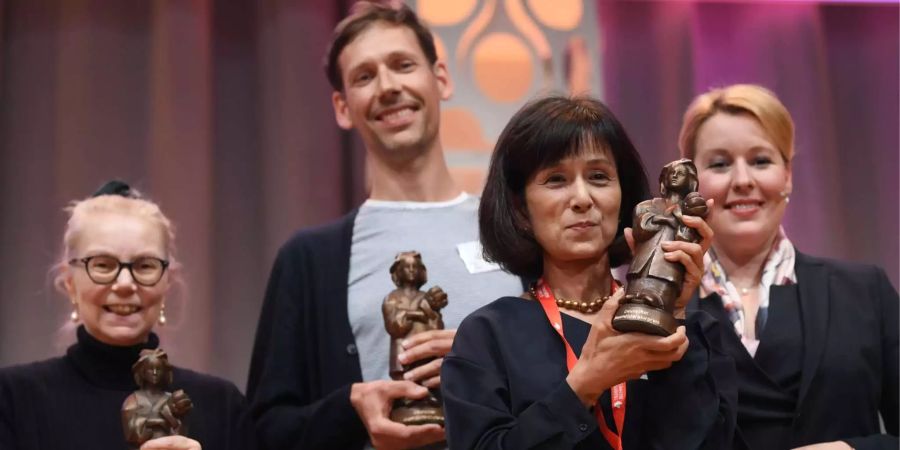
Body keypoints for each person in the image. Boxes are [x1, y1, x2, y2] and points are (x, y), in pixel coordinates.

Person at [244, 2, 522, 450]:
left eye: (403, 65)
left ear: (442, 79)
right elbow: (264, 430)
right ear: (342, 107)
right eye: (364, 76)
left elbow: (577, 384)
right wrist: (350, 407)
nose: (388, 87)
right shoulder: (310, 259)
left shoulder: (517, 236)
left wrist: (492, 360)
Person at [442, 95, 737, 449]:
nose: (582, 198)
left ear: (623, 196)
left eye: (598, 177)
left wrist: (672, 311)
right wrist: (583, 386)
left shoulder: (697, 328)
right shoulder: (488, 336)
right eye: (556, 180)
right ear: (521, 209)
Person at [679, 83, 898, 450]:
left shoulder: (864, 294)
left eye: (761, 161)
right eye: (719, 164)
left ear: (788, 175)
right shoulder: (662, 310)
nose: (743, 180)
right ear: (692, 185)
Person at [0, 181, 257, 450]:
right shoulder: (13, 399)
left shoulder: (222, 406)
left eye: (145, 265)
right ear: (69, 282)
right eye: (102, 265)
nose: (124, 283)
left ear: (167, 282)